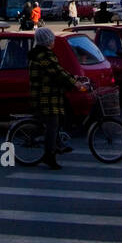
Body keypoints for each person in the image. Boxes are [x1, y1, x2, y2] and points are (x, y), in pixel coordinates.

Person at [28, 26, 86, 170]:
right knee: (52, 126)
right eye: (52, 39)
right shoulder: (44, 56)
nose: (53, 41)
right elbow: (57, 73)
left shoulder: (42, 54)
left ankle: (57, 145)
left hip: (50, 94)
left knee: (60, 120)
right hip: (45, 97)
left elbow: (59, 71)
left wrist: (74, 78)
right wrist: (75, 83)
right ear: (47, 41)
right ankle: (49, 155)